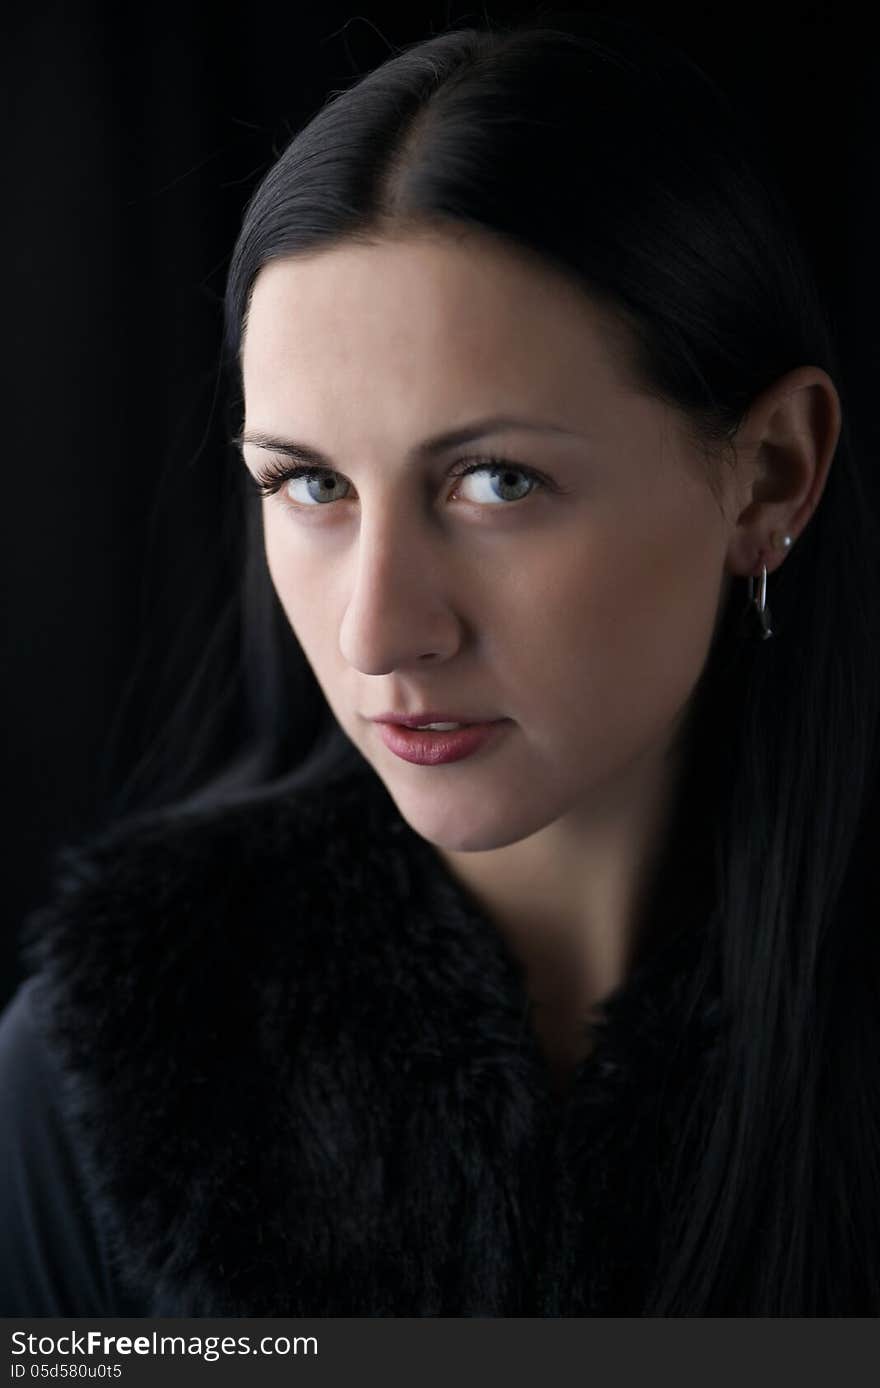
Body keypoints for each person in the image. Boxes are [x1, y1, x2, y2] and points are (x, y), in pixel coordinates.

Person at [2, 8, 879, 1317]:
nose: (375, 632)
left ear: (770, 475)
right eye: (307, 484)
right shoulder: (102, 1066)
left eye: (496, 480)